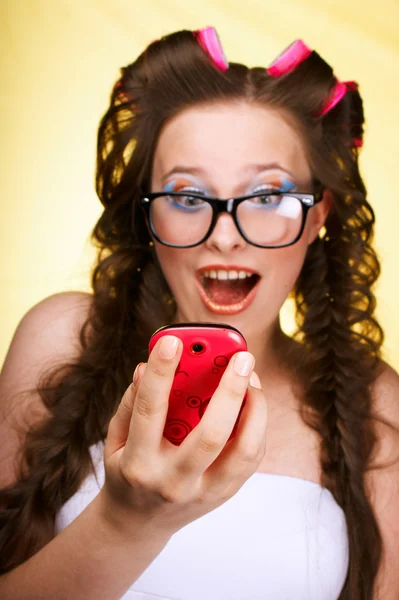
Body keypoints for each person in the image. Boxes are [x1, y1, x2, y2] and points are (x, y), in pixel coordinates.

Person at [0, 26, 398, 600]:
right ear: (149, 216)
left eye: (267, 197)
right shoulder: (61, 338)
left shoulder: (375, 403)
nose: (226, 239)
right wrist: (125, 521)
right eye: (187, 197)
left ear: (317, 217)